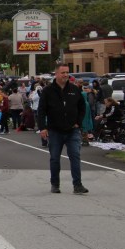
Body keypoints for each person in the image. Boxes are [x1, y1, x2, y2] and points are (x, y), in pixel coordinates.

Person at [38, 63, 89, 194]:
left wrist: (79, 122)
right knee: (55, 158)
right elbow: (41, 110)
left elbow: (82, 107)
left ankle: (77, 185)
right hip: (55, 130)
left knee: (75, 157)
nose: (66, 75)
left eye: (67, 72)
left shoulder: (74, 89)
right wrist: (42, 128)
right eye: (63, 73)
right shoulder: (48, 91)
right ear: (56, 74)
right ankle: (55, 184)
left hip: (72, 130)